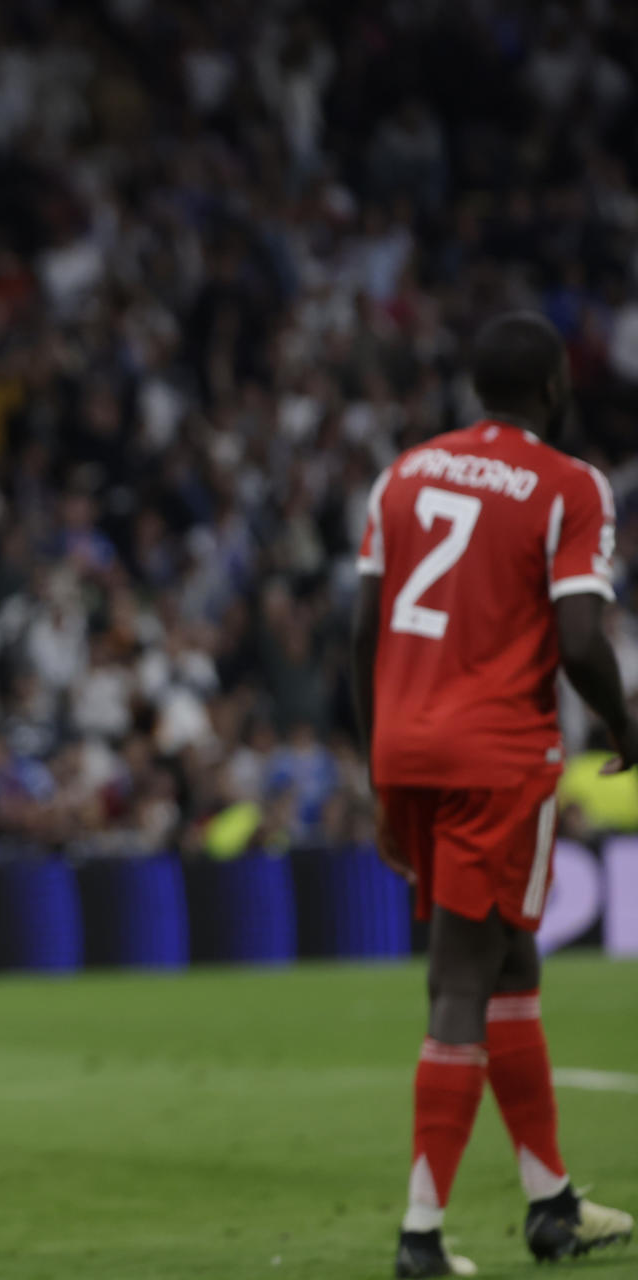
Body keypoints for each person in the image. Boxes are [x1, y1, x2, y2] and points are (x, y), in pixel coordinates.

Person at [351, 311, 635, 1277]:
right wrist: (626, 726)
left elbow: (362, 626)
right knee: (463, 979)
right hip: (496, 756)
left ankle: (552, 1204)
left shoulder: (406, 472)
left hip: (405, 743)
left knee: (510, 961)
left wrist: (376, 751)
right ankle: (421, 1235)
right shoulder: (569, 486)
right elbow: (583, 641)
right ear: (555, 389)